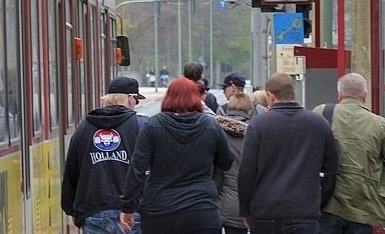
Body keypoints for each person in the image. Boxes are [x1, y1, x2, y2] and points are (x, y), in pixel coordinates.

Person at [120, 78, 234, 234]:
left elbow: (137, 169)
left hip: (160, 210)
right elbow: (227, 162)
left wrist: (128, 206)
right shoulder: (211, 126)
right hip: (202, 209)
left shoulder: (153, 126)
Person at [238, 72, 339, 234]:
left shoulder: (259, 125)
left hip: (266, 212)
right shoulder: (319, 124)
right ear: (294, 93)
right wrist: (319, 202)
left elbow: (247, 171)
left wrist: (245, 209)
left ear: (270, 96)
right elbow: (331, 169)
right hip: (305, 211)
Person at [313, 73, 385, 234]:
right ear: (364, 95)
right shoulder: (380, 124)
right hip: (364, 207)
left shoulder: (321, 112)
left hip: (327, 204)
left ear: (340, 94)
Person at [62, 76, 147, 233]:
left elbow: (72, 171)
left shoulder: (84, 127)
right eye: (136, 100)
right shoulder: (141, 126)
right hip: (133, 212)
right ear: (130, 99)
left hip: (94, 211)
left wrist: (72, 209)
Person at [214, 92, 254, 234]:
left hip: (214, 202)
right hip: (242, 206)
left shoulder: (215, 130)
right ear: (250, 110)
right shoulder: (255, 134)